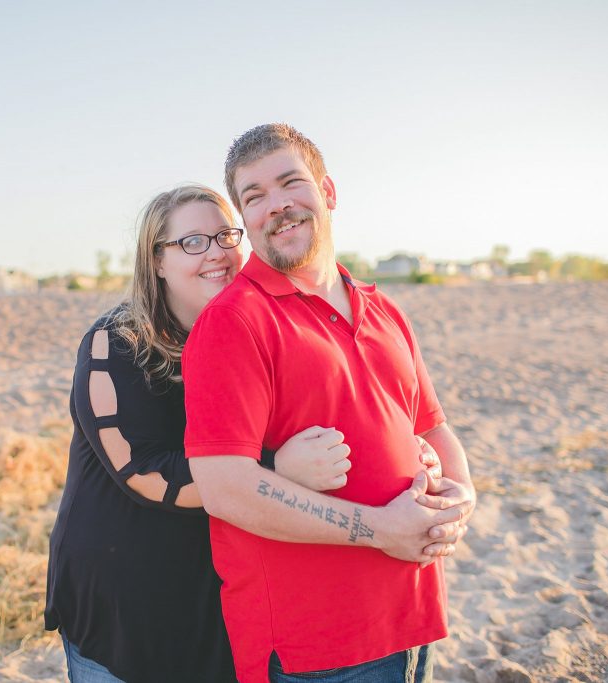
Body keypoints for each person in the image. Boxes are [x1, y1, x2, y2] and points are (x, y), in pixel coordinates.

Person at [44, 184, 444, 683]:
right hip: (124, 584)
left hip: (214, 584)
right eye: (192, 242)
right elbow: (143, 473)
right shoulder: (116, 343)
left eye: (225, 236)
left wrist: (411, 450)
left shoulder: (246, 328)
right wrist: (276, 468)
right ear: (157, 261)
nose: (216, 253)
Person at [183, 124, 477, 683]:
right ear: (245, 220)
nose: (278, 206)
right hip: (315, 648)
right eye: (255, 196)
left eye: (290, 183)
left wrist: (462, 496)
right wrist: (379, 529)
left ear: (328, 192)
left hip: (414, 616)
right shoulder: (234, 321)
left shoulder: (383, 307)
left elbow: (433, 427)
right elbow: (223, 486)